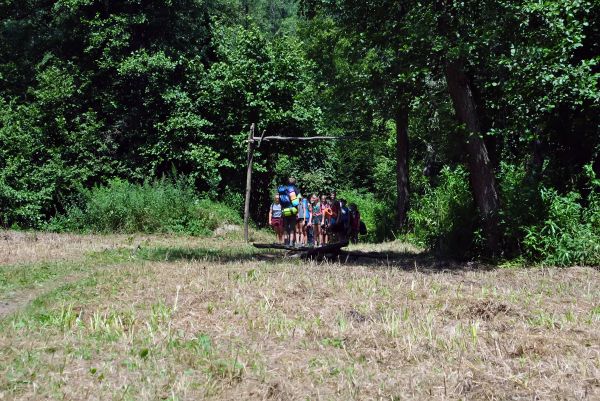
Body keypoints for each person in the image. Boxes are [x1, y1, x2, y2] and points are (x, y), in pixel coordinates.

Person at [282, 177, 300, 246]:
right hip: (293, 210)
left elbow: (281, 201)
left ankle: (286, 242)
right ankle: (291, 242)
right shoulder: (296, 189)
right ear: (294, 182)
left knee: (286, 227)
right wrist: (298, 212)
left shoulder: (284, 189)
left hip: (285, 210)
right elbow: (298, 201)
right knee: (292, 227)